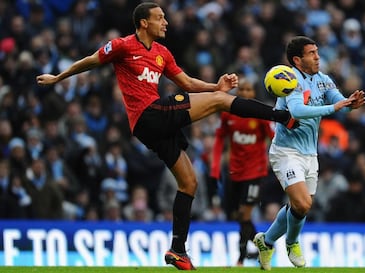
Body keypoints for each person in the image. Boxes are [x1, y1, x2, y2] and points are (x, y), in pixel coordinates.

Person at [36, 2, 296, 270]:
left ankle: (178, 250)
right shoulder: (123, 46)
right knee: (220, 102)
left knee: (189, 183)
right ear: (144, 23)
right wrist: (59, 77)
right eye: (160, 18)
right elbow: (91, 60)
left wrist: (215, 86)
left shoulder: (162, 53)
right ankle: (281, 116)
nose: (166, 22)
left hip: (153, 128)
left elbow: (187, 83)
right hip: (149, 115)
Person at [253, 36, 365, 269]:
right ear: (297, 59)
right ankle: (292, 242)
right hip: (286, 151)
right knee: (303, 205)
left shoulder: (323, 79)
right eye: (311, 53)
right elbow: (297, 110)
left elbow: (338, 101)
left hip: (309, 153)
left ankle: (267, 241)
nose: (317, 56)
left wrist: (349, 102)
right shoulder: (290, 80)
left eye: (317, 52)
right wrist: (333, 108)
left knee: (299, 206)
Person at [209, 78, 274, 266]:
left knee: (245, 214)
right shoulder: (228, 115)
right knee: (238, 215)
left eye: (249, 90)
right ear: (237, 93)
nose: (245, 93)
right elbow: (220, 139)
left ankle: (241, 258)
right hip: (235, 172)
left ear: (254, 93)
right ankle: (265, 244)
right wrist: (215, 169)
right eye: (242, 90)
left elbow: (273, 137)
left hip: (255, 171)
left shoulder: (260, 115)